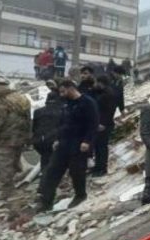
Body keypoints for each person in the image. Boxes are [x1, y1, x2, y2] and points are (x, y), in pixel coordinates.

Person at [38, 79, 99, 212]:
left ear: (71, 88)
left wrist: (87, 141)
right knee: (52, 171)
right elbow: (62, 124)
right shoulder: (66, 104)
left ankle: (80, 195)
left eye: (63, 91)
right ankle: (46, 202)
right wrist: (57, 139)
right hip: (64, 143)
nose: (61, 95)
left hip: (79, 143)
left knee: (76, 171)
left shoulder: (87, 102)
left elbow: (93, 124)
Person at [0, 79, 31, 201]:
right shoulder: (22, 99)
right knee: (14, 164)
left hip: (6, 140)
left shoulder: (1, 104)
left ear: (1, 89)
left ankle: (7, 193)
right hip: (20, 138)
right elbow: (29, 118)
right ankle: (14, 189)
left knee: (5, 167)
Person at [32, 84, 63, 194]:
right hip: (54, 141)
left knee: (45, 162)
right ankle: (46, 189)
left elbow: (34, 128)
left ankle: (43, 187)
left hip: (39, 141)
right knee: (52, 166)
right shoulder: (62, 111)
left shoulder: (38, 112)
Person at [90, 75, 117, 177]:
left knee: (102, 147)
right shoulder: (102, 92)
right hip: (99, 123)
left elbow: (110, 111)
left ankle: (102, 168)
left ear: (101, 82)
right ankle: (98, 166)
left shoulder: (108, 94)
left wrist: (103, 123)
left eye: (97, 82)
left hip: (104, 125)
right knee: (97, 146)